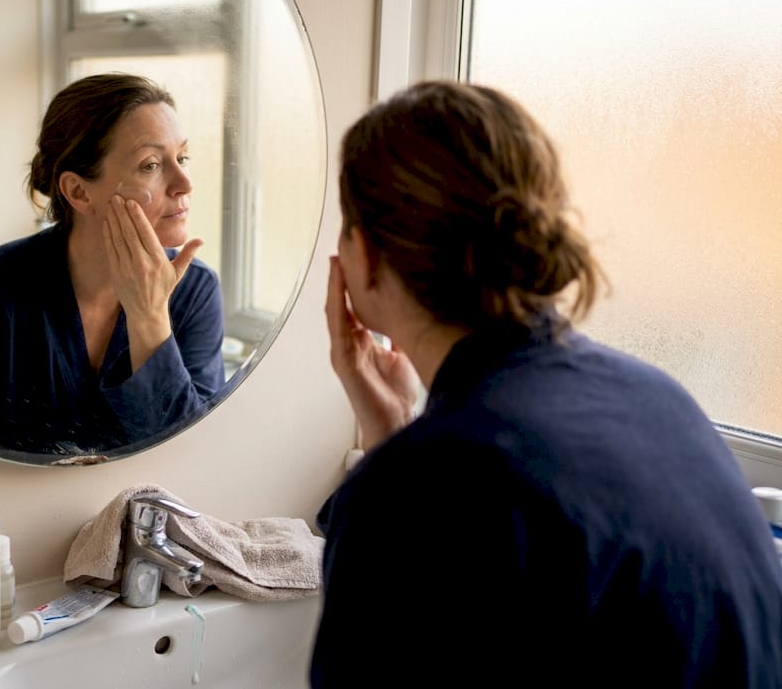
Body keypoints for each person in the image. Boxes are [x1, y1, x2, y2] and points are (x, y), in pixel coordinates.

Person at [312, 80, 782, 687]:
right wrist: (393, 433)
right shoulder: (658, 399)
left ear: (366, 254)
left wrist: (395, 461)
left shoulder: (414, 492)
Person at [0, 73, 225, 456]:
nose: (184, 183)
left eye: (182, 158)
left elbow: (192, 458)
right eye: (150, 165)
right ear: (78, 191)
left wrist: (149, 318)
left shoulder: (195, 292)